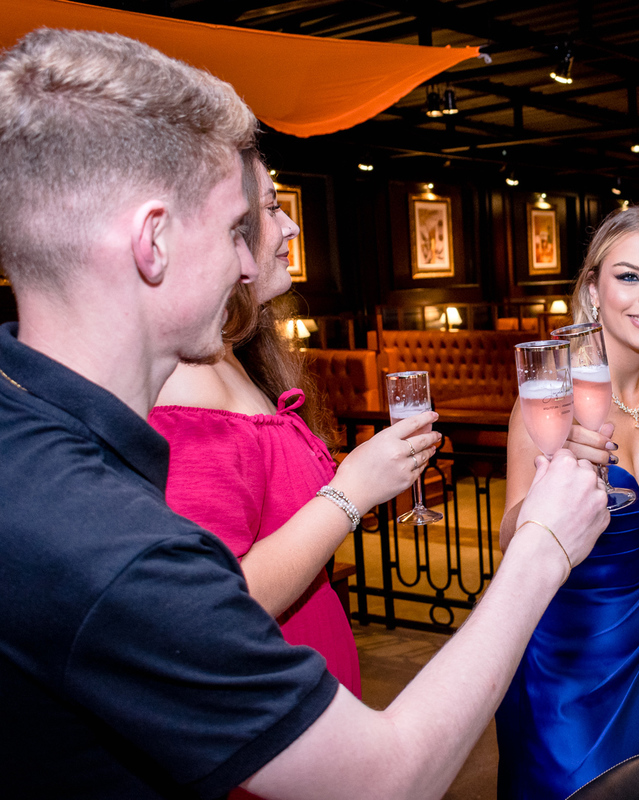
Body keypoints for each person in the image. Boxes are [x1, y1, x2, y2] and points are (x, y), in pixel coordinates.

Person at [0, 28, 608, 799]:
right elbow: (383, 781)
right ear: (152, 241)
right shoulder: (109, 550)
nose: (252, 262)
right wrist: (544, 548)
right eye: (233, 230)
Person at [148, 150, 364, 700]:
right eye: (272, 206)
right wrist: (352, 491)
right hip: (267, 686)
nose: (291, 224)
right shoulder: (186, 384)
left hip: (307, 664)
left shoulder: (229, 355)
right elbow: (222, 599)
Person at [495, 206, 639, 799]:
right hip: (565, 652)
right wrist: (560, 480)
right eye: (629, 276)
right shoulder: (550, 400)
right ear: (592, 289)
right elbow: (510, 540)